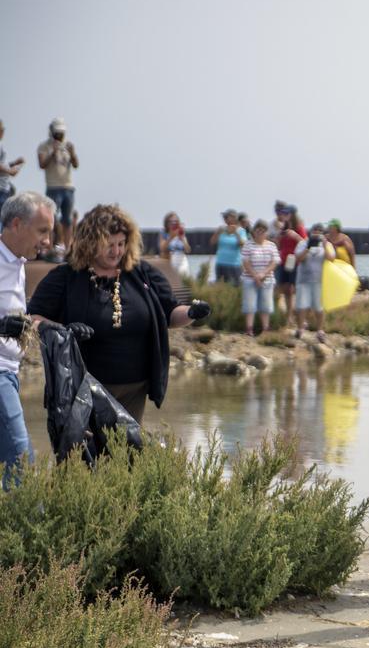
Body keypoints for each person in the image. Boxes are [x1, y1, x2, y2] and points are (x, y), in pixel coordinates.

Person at [28, 204, 212, 424]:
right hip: (83, 390)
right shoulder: (65, 277)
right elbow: (33, 319)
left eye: (121, 244)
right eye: (109, 245)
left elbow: (170, 313)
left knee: (126, 455)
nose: (116, 251)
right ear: (91, 242)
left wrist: (191, 312)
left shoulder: (143, 273)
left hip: (135, 388)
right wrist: (64, 330)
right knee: (86, 455)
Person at [0, 191, 55, 488]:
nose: (47, 241)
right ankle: (31, 533)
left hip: (11, 374)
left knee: (15, 463)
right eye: (42, 230)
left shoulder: (17, 263)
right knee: (22, 463)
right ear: (17, 224)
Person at [37, 118, 79, 252]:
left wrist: (72, 153)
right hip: (53, 187)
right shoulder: (44, 146)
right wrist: (53, 152)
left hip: (68, 187)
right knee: (52, 219)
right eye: (57, 133)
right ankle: (50, 248)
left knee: (67, 219)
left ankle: (67, 249)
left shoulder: (68, 145)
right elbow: (42, 164)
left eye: (61, 133)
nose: (59, 136)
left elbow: (76, 164)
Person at [293, 222, 334, 342]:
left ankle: (320, 330)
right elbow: (298, 259)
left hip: (319, 280)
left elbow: (331, 258)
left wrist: (325, 244)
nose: (316, 234)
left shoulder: (327, 245)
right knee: (302, 305)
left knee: (318, 306)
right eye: (314, 231)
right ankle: (300, 329)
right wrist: (308, 247)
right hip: (303, 280)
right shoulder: (303, 243)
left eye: (319, 232)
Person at [241, 220, 280, 336]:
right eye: (258, 230)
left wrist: (263, 274)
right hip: (249, 278)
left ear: (266, 232)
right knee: (249, 305)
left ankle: (265, 329)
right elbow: (245, 262)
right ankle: (249, 329)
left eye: (263, 231)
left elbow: (275, 262)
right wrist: (255, 276)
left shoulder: (271, 245)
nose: (260, 233)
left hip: (267, 279)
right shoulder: (248, 244)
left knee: (266, 305)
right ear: (254, 231)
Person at [272, 204, 306, 327]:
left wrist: (295, 235)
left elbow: (305, 243)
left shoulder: (299, 227)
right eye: (283, 214)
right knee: (284, 289)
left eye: (286, 214)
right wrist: (278, 237)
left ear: (292, 215)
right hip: (283, 261)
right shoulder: (283, 228)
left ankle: (293, 318)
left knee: (292, 290)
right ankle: (287, 317)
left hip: (295, 262)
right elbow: (279, 245)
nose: (283, 216)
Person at [210, 209, 247, 284]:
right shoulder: (222, 230)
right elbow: (212, 242)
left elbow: (243, 245)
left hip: (234, 265)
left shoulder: (241, 231)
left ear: (234, 218)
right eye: (224, 217)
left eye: (226, 217)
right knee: (220, 287)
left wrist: (236, 233)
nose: (224, 219)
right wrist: (217, 233)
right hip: (220, 263)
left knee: (235, 287)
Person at [0, 119, 25, 210]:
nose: (3, 131)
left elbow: (2, 164)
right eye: (2, 129)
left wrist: (14, 163)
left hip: (4, 189)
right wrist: (10, 171)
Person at [159, 212, 190, 277]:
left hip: (181, 260)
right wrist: (171, 237)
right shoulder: (164, 233)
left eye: (175, 221)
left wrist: (183, 239)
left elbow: (188, 250)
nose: (173, 223)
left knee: (182, 279)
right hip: (169, 259)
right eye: (171, 222)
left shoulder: (180, 232)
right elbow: (162, 248)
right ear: (166, 223)